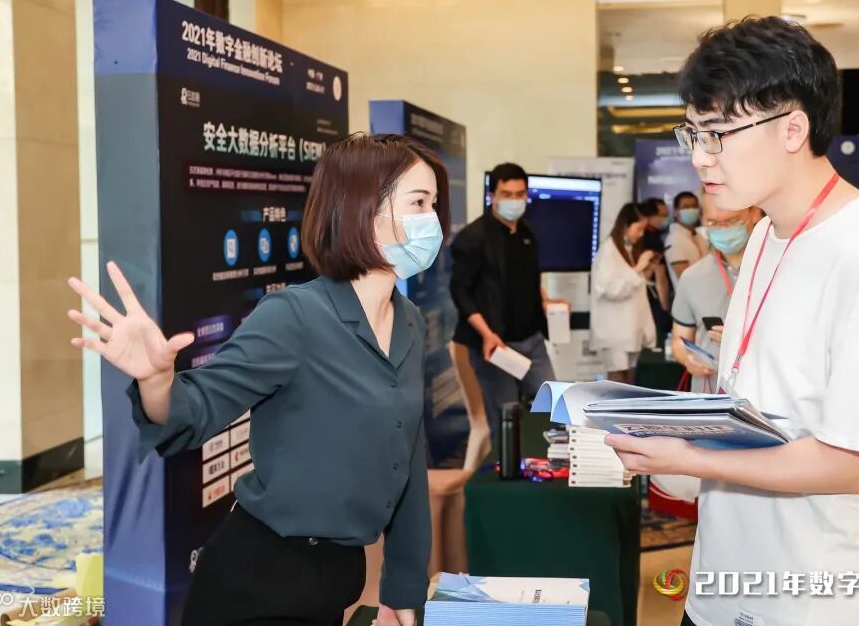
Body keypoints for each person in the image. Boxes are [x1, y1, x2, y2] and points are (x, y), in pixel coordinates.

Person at [604, 17, 859, 626]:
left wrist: (690, 458)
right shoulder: (763, 236)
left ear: (793, 128)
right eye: (693, 133)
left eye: (718, 134)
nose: (699, 157)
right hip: (725, 584)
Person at [66, 133, 449, 626]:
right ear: (363, 209)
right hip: (258, 581)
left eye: (433, 204)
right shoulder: (295, 315)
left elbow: (409, 459)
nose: (432, 219)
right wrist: (157, 379)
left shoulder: (409, 321)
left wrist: (403, 591)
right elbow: (193, 411)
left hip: (337, 578)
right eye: (418, 202)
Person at [449, 162, 562, 449]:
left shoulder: (528, 232)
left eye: (520, 194)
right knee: (507, 421)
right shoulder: (473, 238)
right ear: (493, 196)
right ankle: (509, 471)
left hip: (533, 341)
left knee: (555, 410)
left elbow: (529, 279)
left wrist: (546, 301)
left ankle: (549, 466)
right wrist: (487, 334)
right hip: (496, 347)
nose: (514, 200)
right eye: (507, 194)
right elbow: (460, 291)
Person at [669, 193, 763, 393]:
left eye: (732, 221)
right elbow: (679, 339)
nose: (723, 229)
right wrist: (687, 358)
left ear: (755, 213)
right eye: (713, 223)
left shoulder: (776, 270)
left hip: (761, 392)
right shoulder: (693, 277)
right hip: (709, 393)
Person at [590, 203, 658, 383]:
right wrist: (638, 268)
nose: (641, 234)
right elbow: (610, 289)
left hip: (629, 328)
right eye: (639, 229)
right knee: (618, 377)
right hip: (615, 331)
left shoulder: (627, 250)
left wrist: (646, 270)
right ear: (626, 226)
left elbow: (633, 285)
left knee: (630, 377)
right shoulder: (608, 251)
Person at [637, 197, 674, 337]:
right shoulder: (649, 240)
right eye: (662, 215)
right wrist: (665, 305)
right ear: (649, 216)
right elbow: (659, 275)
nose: (666, 219)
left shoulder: (655, 236)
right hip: (652, 300)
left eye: (667, 215)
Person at [664, 191, 710, 282]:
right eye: (686, 207)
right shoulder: (675, 239)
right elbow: (683, 277)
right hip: (692, 289)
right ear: (676, 212)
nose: (691, 210)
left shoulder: (698, 236)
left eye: (694, 206)